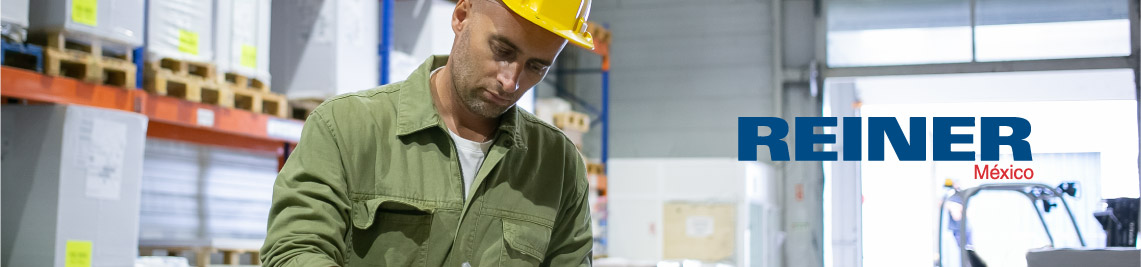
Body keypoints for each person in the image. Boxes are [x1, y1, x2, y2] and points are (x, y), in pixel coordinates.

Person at [259, 0, 596, 266]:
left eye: (536, 66)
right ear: (462, 15)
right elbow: (294, 252)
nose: (511, 81)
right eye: (502, 51)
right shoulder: (346, 128)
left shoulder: (559, 167)